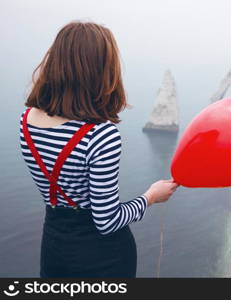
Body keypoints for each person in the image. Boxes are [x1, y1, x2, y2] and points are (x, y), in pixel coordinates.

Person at [19, 21, 179, 277]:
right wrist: (151, 197)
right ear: (102, 70)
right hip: (102, 260)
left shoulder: (27, 120)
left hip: (54, 248)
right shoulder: (100, 134)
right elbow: (107, 221)